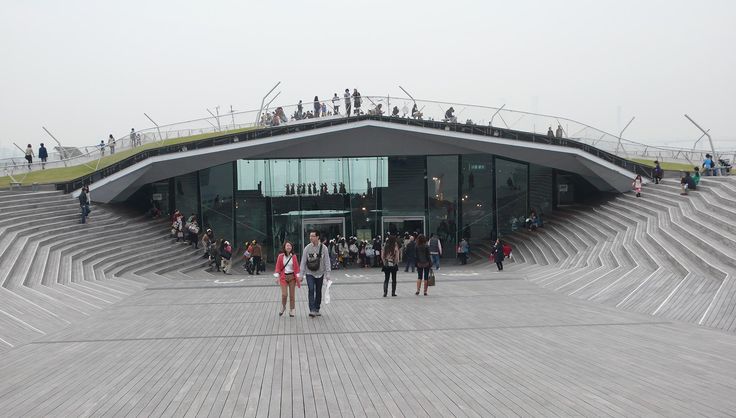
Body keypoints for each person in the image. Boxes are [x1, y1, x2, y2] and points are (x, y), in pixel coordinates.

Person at [300, 230, 331, 317]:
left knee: (318, 291)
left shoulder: (324, 248)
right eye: (310, 236)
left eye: (313, 236)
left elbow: (327, 261)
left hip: (320, 273)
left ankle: (317, 308)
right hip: (309, 273)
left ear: (317, 237)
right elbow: (303, 261)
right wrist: (301, 274)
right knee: (311, 289)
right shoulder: (307, 248)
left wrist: (328, 273)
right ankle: (312, 309)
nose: (311, 238)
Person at [274, 240, 300, 317]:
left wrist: (299, 277)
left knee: (292, 295)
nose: (289, 247)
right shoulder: (280, 256)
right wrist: (277, 277)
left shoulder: (294, 256)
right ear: (284, 247)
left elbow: (297, 268)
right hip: (283, 277)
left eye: (290, 246)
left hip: (292, 277)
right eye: (287, 246)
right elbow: (278, 267)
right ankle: (283, 306)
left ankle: (292, 310)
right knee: (284, 294)